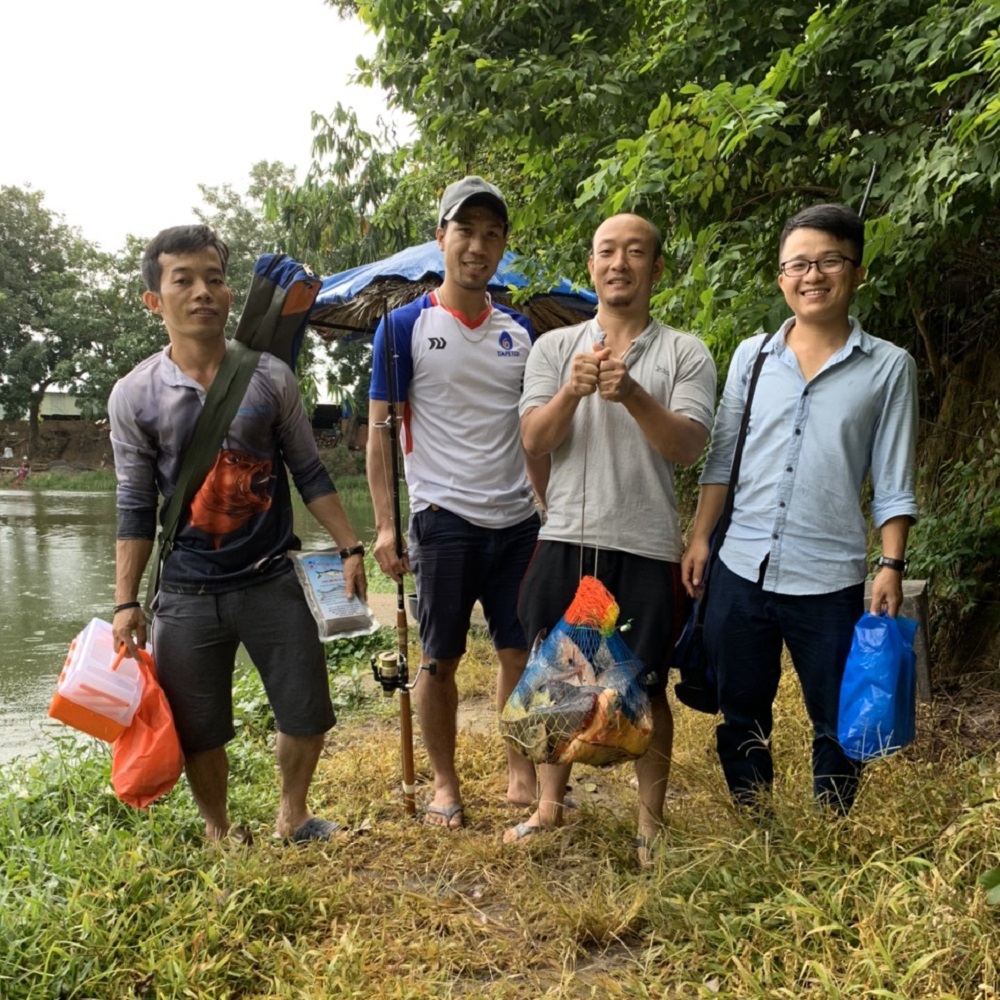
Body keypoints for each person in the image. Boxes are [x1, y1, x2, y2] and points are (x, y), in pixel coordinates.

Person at [109, 224, 367, 844]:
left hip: (271, 576)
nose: (204, 292)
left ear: (229, 294)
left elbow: (308, 470)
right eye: (185, 280)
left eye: (215, 278)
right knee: (198, 728)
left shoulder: (270, 378)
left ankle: (293, 814)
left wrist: (351, 545)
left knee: (307, 711)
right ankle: (220, 830)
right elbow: (134, 504)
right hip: (187, 591)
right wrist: (125, 601)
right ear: (155, 301)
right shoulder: (136, 395)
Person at [681, 203, 918, 814]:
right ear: (782, 277)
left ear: (857, 271)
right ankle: (751, 816)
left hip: (831, 574)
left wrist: (890, 564)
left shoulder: (888, 367)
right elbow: (723, 460)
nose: (813, 275)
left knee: (837, 718)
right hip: (741, 566)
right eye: (798, 264)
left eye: (829, 261)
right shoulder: (752, 356)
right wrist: (701, 538)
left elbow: (894, 479)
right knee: (740, 709)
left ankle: (831, 826)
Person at [508, 213, 717, 861]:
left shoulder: (686, 351)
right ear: (593, 265)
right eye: (607, 252)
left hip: (646, 543)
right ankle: (548, 808)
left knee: (645, 683)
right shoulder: (553, 348)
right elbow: (534, 440)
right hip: (569, 536)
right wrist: (573, 390)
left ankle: (649, 825)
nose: (619, 262)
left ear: (656, 268)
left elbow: (688, 446)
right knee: (559, 673)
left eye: (635, 252)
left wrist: (632, 395)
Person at [366, 176, 546, 829]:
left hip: (518, 521)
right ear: (441, 238)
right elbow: (378, 434)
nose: (477, 245)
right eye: (464, 231)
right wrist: (387, 526)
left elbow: (534, 432)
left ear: (502, 247)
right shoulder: (402, 329)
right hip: (442, 519)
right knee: (438, 660)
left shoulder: (521, 332)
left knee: (519, 653)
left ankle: (520, 770)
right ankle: (445, 784)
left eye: (491, 234)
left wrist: (549, 507)